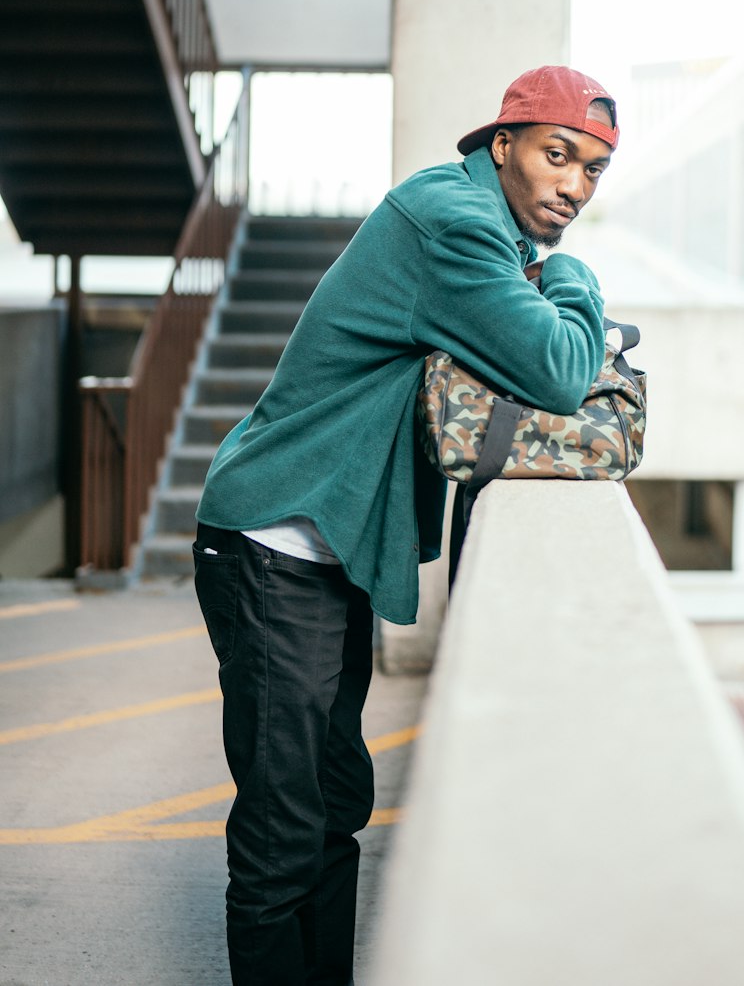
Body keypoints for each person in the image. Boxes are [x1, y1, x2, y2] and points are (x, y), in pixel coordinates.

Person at [192, 64, 619, 985]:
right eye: (558, 156)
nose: (574, 186)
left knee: (336, 802)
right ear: (500, 146)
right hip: (275, 537)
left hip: (324, 545)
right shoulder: (456, 225)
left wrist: (546, 279)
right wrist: (576, 281)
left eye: (592, 171)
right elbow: (555, 367)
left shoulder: (485, 231)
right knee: (281, 829)